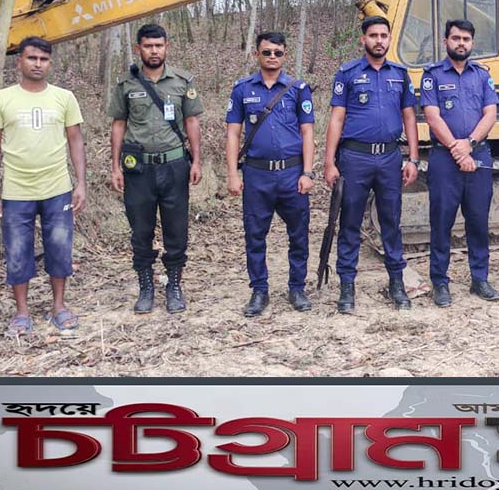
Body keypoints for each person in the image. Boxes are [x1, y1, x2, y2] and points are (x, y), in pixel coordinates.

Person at [0, 37, 86, 336]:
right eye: (32, 58)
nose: (38, 64)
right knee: (17, 251)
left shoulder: (64, 97)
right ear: (19, 62)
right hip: (16, 190)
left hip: (57, 188)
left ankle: (59, 307)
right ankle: (22, 313)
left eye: (43, 59)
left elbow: (75, 140)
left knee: (60, 249)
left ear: (50, 63)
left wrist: (81, 182)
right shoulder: (1, 99)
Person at [323, 16, 419, 313]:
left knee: (391, 222)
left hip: (390, 158)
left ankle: (397, 284)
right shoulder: (348, 73)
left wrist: (413, 158)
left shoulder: (400, 74)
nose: (379, 40)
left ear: (389, 39)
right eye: (373, 35)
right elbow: (337, 118)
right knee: (349, 223)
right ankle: (347, 286)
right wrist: (328, 162)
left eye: (383, 35)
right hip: (355, 158)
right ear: (363, 39)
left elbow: (409, 117)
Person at [109, 23, 204, 315]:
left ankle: (174, 285)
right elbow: (119, 124)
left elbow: (192, 122)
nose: (154, 51)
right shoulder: (126, 84)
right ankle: (146, 286)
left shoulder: (182, 81)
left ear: (167, 47)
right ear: (138, 48)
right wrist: (115, 166)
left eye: (159, 46)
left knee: (176, 229)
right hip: (139, 169)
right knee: (140, 230)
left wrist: (197, 160)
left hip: (174, 165)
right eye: (148, 46)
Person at [225, 32, 316, 316]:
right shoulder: (242, 89)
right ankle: (259, 291)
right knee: (255, 235)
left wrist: (308, 172)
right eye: (267, 52)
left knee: (299, 235)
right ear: (257, 55)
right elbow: (233, 134)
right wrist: (232, 174)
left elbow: (308, 132)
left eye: (277, 52)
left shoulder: (298, 89)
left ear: (285, 55)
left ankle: (297, 288)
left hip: (292, 173)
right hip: (257, 174)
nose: (272, 57)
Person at [420, 19, 499, 308]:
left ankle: (480, 279)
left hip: (478, 154)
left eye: (466, 39)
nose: (461, 43)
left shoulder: (482, 75)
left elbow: (490, 114)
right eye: (456, 38)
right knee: (441, 222)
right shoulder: (432, 76)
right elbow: (432, 116)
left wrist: (470, 144)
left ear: (472, 43)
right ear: (446, 42)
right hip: (444, 158)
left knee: (478, 221)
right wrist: (457, 149)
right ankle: (440, 282)